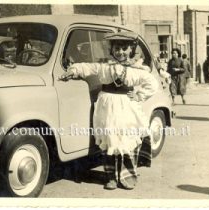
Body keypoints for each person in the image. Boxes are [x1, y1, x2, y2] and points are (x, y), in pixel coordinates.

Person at [59, 32, 158, 190]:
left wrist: (139, 95)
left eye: (124, 49)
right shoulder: (104, 67)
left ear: (131, 51)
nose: (120, 52)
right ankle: (111, 177)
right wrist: (73, 71)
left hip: (126, 108)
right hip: (107, 108)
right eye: (117, 48)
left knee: (126, 139)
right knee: (110, 139)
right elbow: (86, 67)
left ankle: (127, 177)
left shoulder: (135, 70)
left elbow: (152, 83)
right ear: (111, 50)